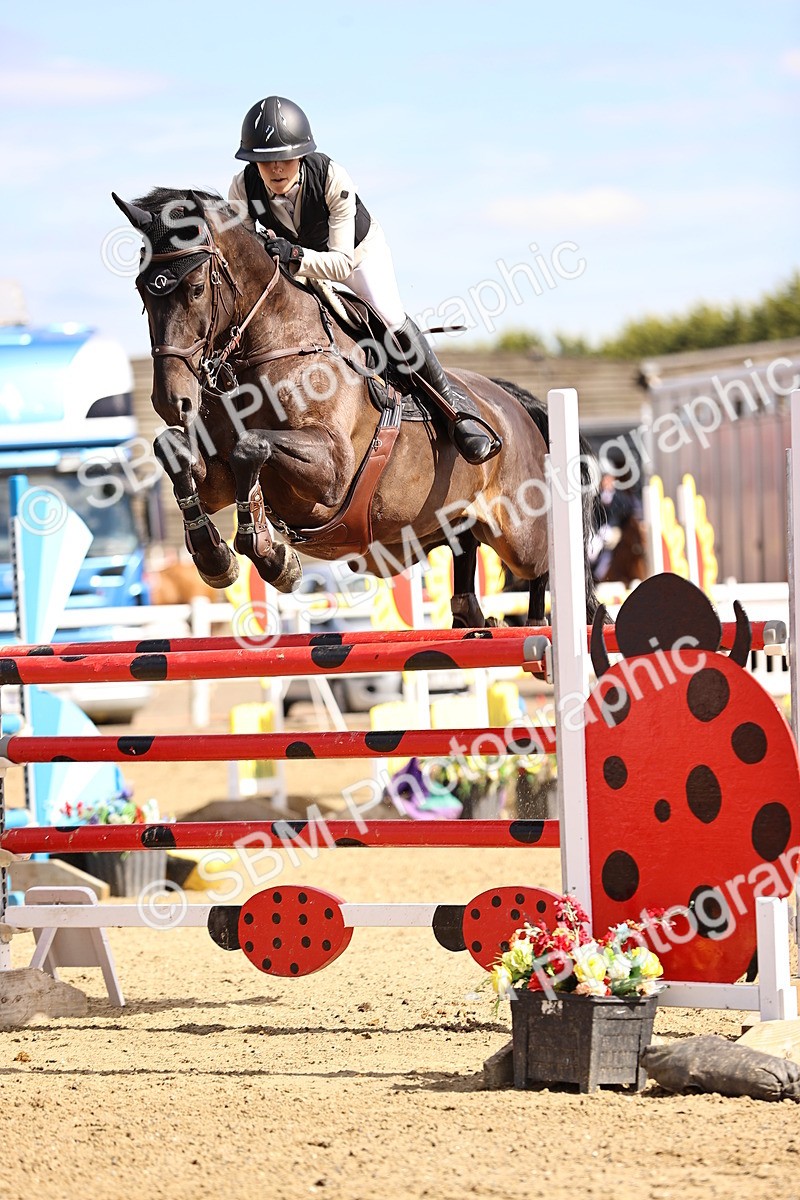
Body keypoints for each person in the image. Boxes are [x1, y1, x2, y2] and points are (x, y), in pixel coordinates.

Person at [228, 95, 500, 465]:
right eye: (265, 160)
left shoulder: (332, 177)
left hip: (355, 257)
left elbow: (340, 263)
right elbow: (245, 260)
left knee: (390, 316)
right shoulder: (243, 188)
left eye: (285, 158)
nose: (275, 168)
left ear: (302, 155)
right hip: (296, 263)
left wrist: (295, 256)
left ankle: (455, 412)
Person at [590, 471, 635, 582]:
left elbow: (627, 511)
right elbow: (594, 516)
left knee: (609, 540)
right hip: (600, 530)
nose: (607, 483)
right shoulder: (597, 498)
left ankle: (602, 572)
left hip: (614, 529)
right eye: (605, 481)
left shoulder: (620, 498)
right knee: (593, 549)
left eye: (609, 481)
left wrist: (617, 526)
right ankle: (594, 572)